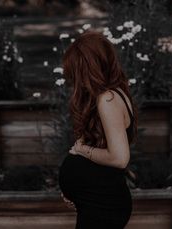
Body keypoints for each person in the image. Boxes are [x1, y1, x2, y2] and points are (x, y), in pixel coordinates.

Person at [58, 30, 138, 229]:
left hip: (103, 204)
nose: (75, 81)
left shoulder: (107, 99)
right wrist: (76, 191)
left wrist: (81, 150)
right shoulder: (114, 93)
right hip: (96, 200)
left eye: (76, 72)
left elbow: (119, 158)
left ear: (89, 68)